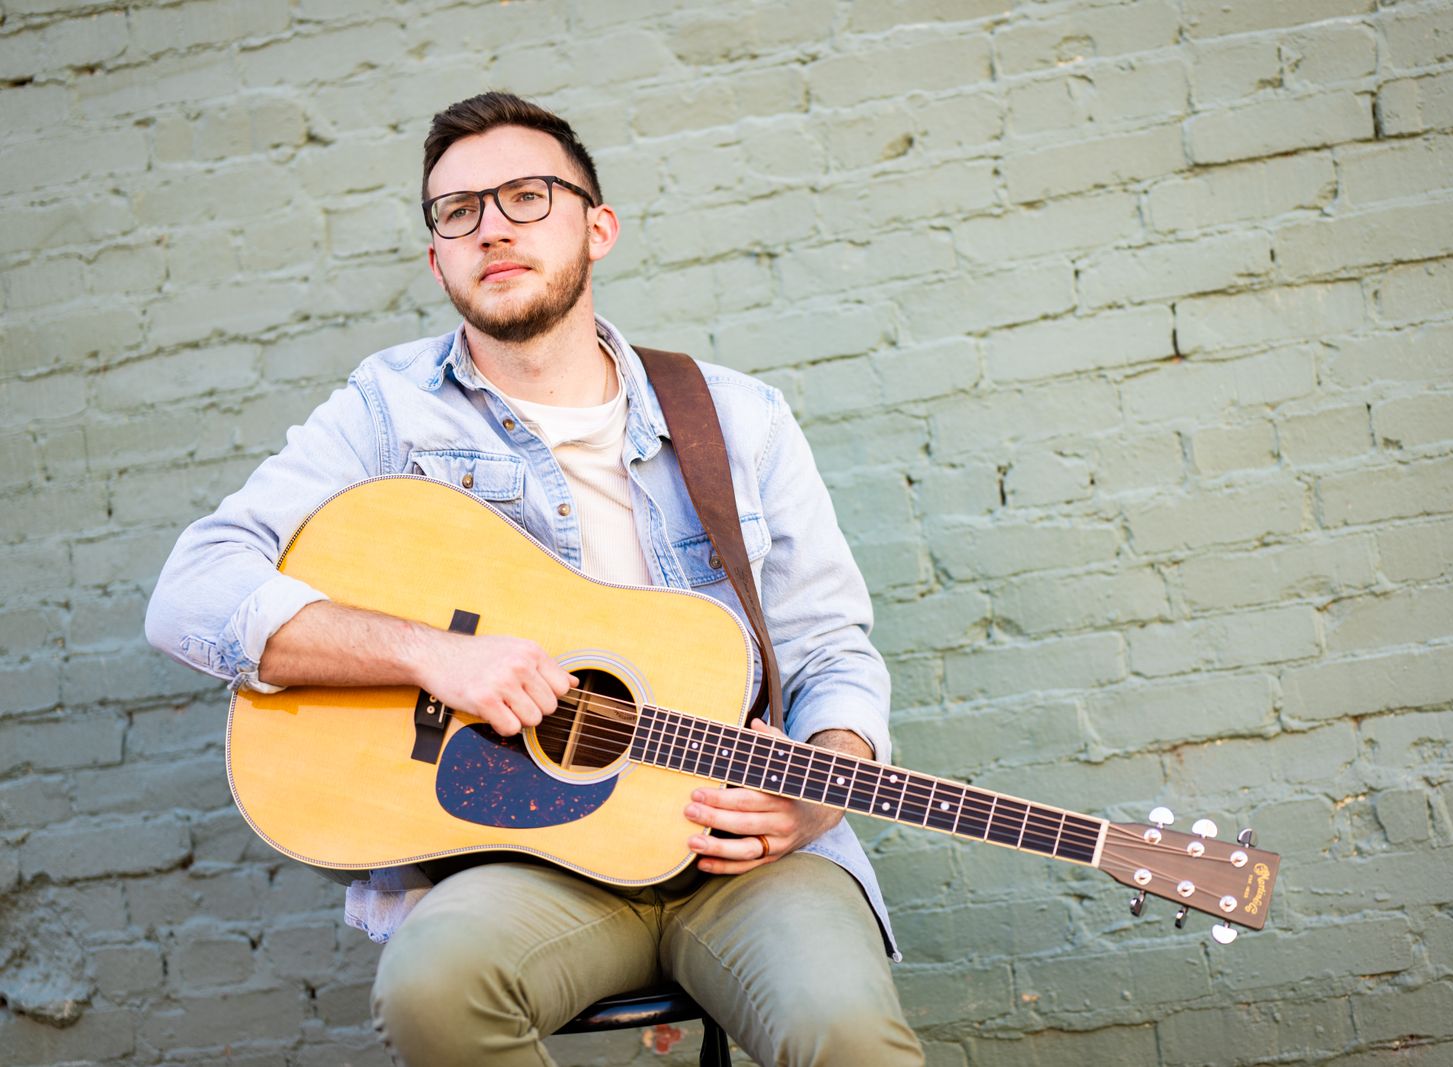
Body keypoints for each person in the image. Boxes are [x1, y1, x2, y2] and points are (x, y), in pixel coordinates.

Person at [144, 92, 923, 1066]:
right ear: (437, 259)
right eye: (457, 211)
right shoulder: (387, 410)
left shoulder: (738, 417)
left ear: (598, 228)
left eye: (526, 195)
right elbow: (191, 591)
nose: (492, 228)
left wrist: (822, 788)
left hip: (740, 854)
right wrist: (435, 655)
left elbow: (829, 647)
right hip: (524, 862)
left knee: (845, 1034)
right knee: (432, 988)